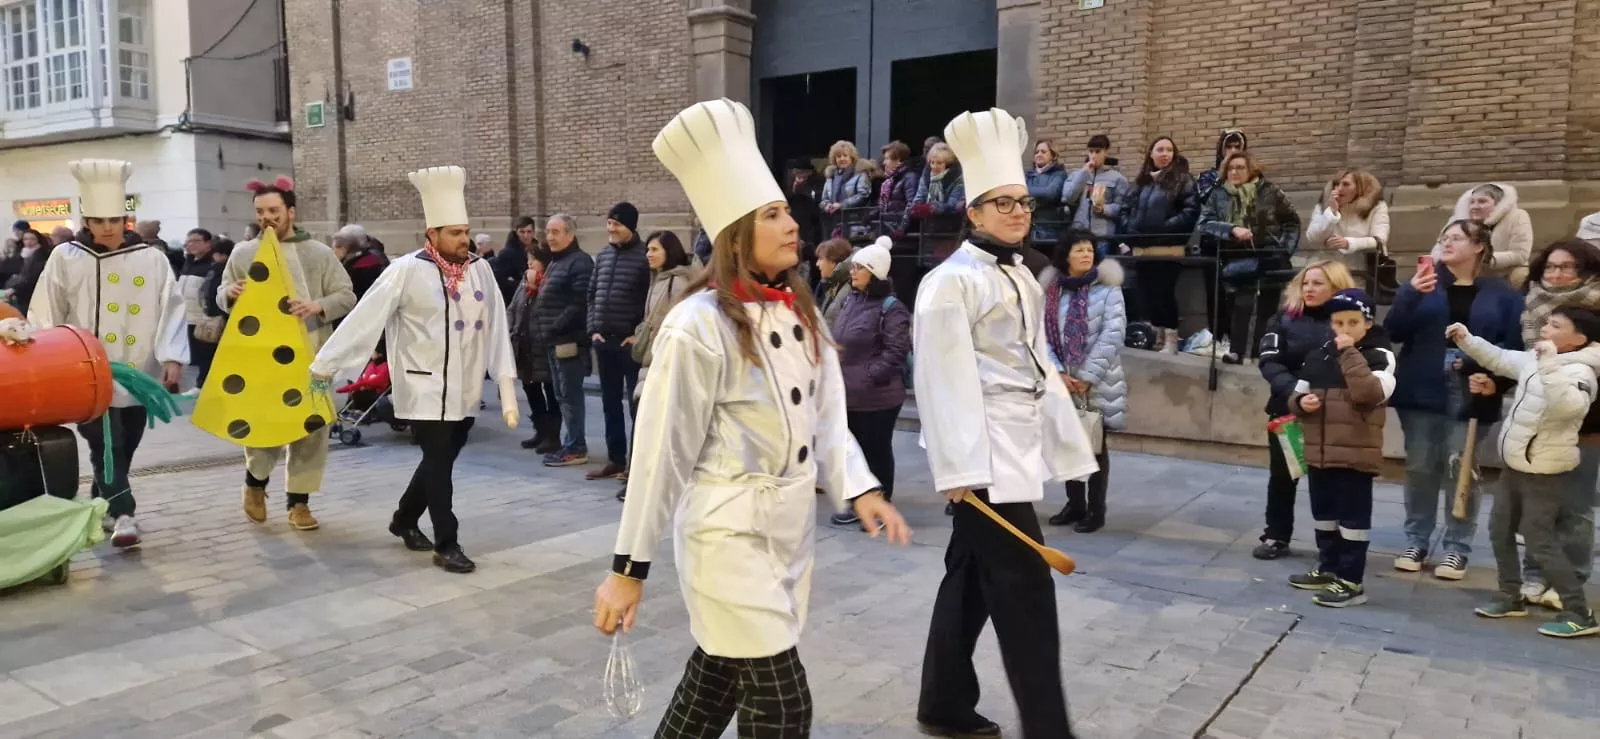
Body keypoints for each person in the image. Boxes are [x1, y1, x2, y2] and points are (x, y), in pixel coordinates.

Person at [592, 99, 910, 738]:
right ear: (736, 233)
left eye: (787, 211)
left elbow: (827, 418)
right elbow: (660, 456)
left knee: (715, 682)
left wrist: (861, 487)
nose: (792, 224)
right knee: (783, 707)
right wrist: (627, 570)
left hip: (788, 536)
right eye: (772, 214)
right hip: (726, 539)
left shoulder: (802, 312)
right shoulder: (697, 325)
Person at [915, 108, 1099, 739]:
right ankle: (1049, 728)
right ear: (973, 212)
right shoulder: (947, 283)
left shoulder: (1023, 273)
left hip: (1016, 445)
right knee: (1025, 587)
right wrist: (958, 471)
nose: (1019, 213)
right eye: (1003, 203)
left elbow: (1037, 361)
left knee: (969, 579)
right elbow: (941, 381)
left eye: (1024, 202)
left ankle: (943, 703)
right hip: (981, 457)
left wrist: (1061, 435)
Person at [311, 166, 518, 574]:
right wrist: (325, 365)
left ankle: (404, 518)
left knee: (442, 459)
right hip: (423, 385)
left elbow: (497, 328)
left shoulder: (480, 269)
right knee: (439, 461)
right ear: (432, 234)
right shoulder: (405, 269)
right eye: (454, 233)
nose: (463, 239)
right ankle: (447, 543)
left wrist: (507, 388)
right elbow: (365, 317)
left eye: (465, 231)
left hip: (465, 387)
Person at [27, 159, 187, 549]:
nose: (108, 227)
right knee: (106, 442)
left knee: (126, 441)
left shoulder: (151, 258)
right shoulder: (66, 256)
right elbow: (47, 309)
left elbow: (172, 306)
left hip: (139, 368)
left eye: (115, 219)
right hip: (85, 370)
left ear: (125, 219)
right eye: (99, 220)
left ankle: (102, 501)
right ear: (87, 220)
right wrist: (43, 356)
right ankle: (125, 513)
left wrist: (172, 356)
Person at [1385, 219, 1524, 579]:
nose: (1446, 243)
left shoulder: (1502, 293)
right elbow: (1394, 331)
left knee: (1460, 467)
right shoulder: (1424, 284)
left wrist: (1494, 379)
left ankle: (1456, 547)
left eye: (1456, 238)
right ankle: (1416, 540)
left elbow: (1513, 346)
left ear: (1479, 246)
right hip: (1422, 382)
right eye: (1443, 237)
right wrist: (1410, 293)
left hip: (1471, 386)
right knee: (1420, 466)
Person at [219, 177, 356, 532]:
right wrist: (230, 293)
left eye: (274, 210)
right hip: (260, 358)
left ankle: (299, 503)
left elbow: (346, 295)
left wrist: (317, 306)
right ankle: (255, 484)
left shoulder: (319, 253)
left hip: (314, 358)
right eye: (260, 212)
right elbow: (222, 290)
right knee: (263, 424)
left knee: (312, 429)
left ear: (290, 212)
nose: (267, 217)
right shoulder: (243, 252)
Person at [1455, 307, 1600, 637]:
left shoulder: (1582, 370)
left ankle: (1579, 612)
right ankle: (1510, 596)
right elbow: (1500, 358)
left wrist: (1548, 364)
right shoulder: (1535, 359)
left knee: (1539, 539)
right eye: (1547, 322)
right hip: (1514, 465)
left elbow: (1569, 408)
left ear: (1578, 339)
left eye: (1556, 325)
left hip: (1544, 471)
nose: (1545, 328)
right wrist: (1467, 339)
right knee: (1499, 529)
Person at [1283, 288, 1396, 608]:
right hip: (1320, 453)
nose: (1344, 329)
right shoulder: (1319, 355)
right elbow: (1296, 395)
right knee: (1324, 515)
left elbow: (1369, 393)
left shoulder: (1380, 356)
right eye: (1338, 323)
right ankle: (1328, 567)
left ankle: (1351, 580)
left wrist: (1348, 353)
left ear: (1368, 324)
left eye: (1352, 322)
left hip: (1354, 455)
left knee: (1352, 521)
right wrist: (1301, 403)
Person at [1252, 260, 1357, 559]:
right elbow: (1270, 362)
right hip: (1287, 408)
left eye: (1318, 283)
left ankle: (1334, 540)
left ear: (1336, 287)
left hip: (1334, 411)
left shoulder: (1349, 321)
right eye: (1305, 283)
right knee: (1283, 476)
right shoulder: (1283, 319)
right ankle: (1276, 535)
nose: (1309, 289)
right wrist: (1297, 393)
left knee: (1333, 480)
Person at [1518, 240, 1600, 609]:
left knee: (1576, 508)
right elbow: (1518, 361)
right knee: (1539, 508)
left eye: (1567, 267)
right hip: (1540, 422)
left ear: (1585, 270)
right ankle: (1535, 574)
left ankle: (1571, 578)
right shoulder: (1532, 307)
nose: (1556, 274)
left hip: (1587, 424)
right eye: (1550, 267)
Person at [1041, 231, 1127, 532]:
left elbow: (1113, 334)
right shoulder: (1052, 292)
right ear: (1065, 256)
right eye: (1078, 250)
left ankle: (1095, 510)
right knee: (1068, 441)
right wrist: (1057, 372)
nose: (1086, 255)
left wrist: (1087, 377)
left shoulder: (1109, 290)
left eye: (1089, 250)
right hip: (1063, 380)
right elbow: (1041, 335)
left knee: (1095, 445)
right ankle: (1074, 504)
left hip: (1099, 380)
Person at [826, 241, 911, 526]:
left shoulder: (891, 308)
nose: (853, 271)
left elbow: (896, 352)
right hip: (848, 392)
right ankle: (859, 503)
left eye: (860, 267)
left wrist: (867, 376)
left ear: (874, 272)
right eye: (853, 266)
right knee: (855, 452)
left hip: (877, 397)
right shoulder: (851, 301)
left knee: (877, 451)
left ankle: (882, 505)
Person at [1195, 152, 1302, 362]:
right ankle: (1237, 351)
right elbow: (1204, 223)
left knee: (1267, 309)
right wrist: (1231, 229)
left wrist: (1284, 250)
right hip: (1238, 257)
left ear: (1251, 170)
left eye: (1240, 167)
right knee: (1240, 306)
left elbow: (1292, 221)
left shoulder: (1269, 191)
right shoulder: (1218, 194)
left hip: (1270, 256)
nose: (1235, 172)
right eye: (1231, 168)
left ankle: (1260, 354)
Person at [618, 230, 698, 499]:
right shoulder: (660, 279)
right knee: (645, 421)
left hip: (663, 362)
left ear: (669, 252)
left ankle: (644, 484)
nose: (648, 254)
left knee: (649, 423)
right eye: (648, 249)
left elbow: (676, 322)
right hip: (651, 360)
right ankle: (640, 481)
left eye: (654, 250)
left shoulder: (677, 282)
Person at [586, 202, 652, 481]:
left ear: (630, 227)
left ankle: (635, 464)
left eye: (617, 224)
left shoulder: (644, 257)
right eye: (609, 223)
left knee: (637, 406)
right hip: (605, 342)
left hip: (631, 345)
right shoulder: (603, 255)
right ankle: (615, 459)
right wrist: (594, 329)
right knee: (610, 404)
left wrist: (638, 335)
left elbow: (650, 301)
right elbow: (591, 295)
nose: (610, 229)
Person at [1116, 136, 1199, 353]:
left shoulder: (1183, 180)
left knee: (1164, 292)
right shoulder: (1141, 182)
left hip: (1168, 247)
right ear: (1151, 154)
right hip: (1142, 247)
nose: (1165, 154)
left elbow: (1190, 211)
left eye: (1169, 150)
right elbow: (1125, 210)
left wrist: (1164, 227)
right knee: (1148, 293)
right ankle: (1157, 337)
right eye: (1160, 149)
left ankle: (1171, 339)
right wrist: (1131, 229)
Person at [537, 214, 594, 467]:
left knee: (570, 396)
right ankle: (571, 442)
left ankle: (576, 447)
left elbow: (579, 303)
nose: (550, 237)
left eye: (556, 232)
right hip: (553, 340)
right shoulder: (556, 261)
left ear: (570, 235)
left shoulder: (579, 262)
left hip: (569, 341)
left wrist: (555, 327)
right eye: (548, 231)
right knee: (561, 395)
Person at [509, 241, 562, 455]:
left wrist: (536, 288)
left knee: (551, 392)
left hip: (542, 345)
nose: (529, 263)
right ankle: (540, 430)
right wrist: (511, 329)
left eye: (534, 259)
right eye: (528, 259)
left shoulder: (548, 283)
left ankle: (553, 435)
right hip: (524, 345)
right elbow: (512, 308)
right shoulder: (524, 283)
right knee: (531, 389)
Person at [1431, 183, 1535, 289]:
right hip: (1464, 270)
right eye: (1472, 202)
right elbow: (1438, 248)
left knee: (1519, 274)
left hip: (1504, 272)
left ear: (1498, 204)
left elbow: (1520, 254)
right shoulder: (1457, 220)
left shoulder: (1517, 216)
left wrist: (1480, 259)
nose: (1475, 207)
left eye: (1482, 201)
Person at [1305, 169, 1390, 286]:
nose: (1339, 189)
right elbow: (1313, 237)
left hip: (1362, 273)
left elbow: (1380, 240)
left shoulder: (1376, 206)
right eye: (1336, 184)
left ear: (1360, 188)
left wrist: (1348, 243)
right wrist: (1332, 213)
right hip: (1328, 272)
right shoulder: (1324, 205)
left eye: (1346, 184)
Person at [1061, 134, 1128, 247]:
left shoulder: (1118, 178)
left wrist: (1104, 209)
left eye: (1098, 151)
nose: (1093, 156)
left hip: (1102, 236)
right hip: (1080, 233)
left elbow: (1121, 207)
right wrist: (1083, 174)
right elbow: (1068, 197)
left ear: (1106, 152)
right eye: (1091, 152)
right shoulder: (1077, 175)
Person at [177, 228, 219, 393]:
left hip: (203, 318)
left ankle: (202, 385)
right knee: (193, 355)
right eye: (189, 241)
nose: (191, 244)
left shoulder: (212, 265)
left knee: (206, 354)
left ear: (208, 244)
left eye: (196, 241)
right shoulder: (188, 263)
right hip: (187, 316)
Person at [492, 216, 536, 305]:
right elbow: (499, 280)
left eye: (529, 232)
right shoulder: (507, 253)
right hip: (513, 301)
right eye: (522, 232)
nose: (526, 236)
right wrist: (523, 285)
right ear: (516, 232)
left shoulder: (536, 251)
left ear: (533, 232)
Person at [1195, 129, 1247, 202]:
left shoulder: (1251, 176)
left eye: (1237, 147)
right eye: (1229, 147)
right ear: (1222, 150)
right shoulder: (1207, 177)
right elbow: (1203, 199)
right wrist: (1221, 177)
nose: (1233, 151)